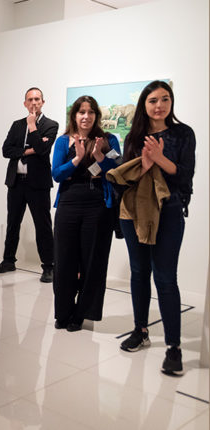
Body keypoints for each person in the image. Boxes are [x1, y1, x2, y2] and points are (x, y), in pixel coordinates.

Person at [115, 81, 195, 376]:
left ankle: (174, 347)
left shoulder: (183, 134)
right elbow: (125, 177)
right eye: (153, 100)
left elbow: (186, 177)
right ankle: (140, 330)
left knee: (165, 278)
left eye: (165, 99)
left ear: (171, 102)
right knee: (139, 272)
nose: (159, 105)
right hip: (134, 212)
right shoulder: (134, 137)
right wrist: (145, 166)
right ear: (144, 105)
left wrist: (160, 159)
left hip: (169, 212)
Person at [51, 95, 120, 332]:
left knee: (93, 262)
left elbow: (118, 169)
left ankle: (81, 313)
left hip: (98, 205)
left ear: (96, 116)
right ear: (74, 115)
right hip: (69, 203)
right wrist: (78, 159)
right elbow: (57, 174)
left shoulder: (109, 140)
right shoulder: (63, 141)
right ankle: (63, 312)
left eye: (90, 112)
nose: (86, 116)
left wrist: (100, 157)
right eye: (81, 112)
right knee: (64, 261)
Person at [0, 87, 58, 283]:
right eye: (30, 99)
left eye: (37, 99)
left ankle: (49, 266)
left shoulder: (50, 125)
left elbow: (42, 149)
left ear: (43, 102)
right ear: (25, 103)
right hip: (16, 182)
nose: (34, 103)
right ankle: (8, 260)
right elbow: (6, 150)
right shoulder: (16, 125)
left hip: (38, 183)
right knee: (13, 223)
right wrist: (28, 151)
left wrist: (32, 126)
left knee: (43, 225)